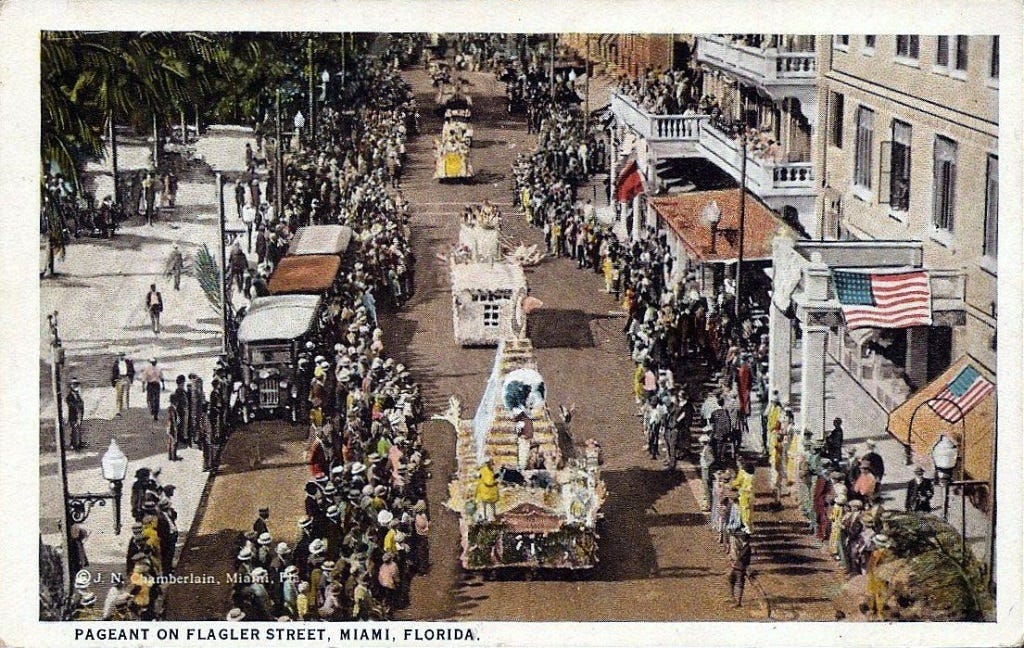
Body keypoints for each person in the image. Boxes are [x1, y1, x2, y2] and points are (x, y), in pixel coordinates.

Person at [727, 529, 752, 607]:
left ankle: (738, 602)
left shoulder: (747, 546)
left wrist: (734, 562)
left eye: (742, 535)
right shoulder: (741, 544)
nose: (740, 536)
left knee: (739, 583)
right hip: (736, 566)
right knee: (731, 579)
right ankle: (732, 597)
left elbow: (741, 556)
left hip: (740, 567)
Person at [474, 458, 499, 522]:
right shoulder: (485, 470)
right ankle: (486, 517)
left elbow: (490, 477)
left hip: (489, 491)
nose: (492, 464)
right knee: (486, 504)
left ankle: (492, 516)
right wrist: (495, 482)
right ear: (487, 463)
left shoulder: (487, 469)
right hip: (486, 490)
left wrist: (495, 476)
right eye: (491, 462)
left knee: (490, 504)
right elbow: (488, 482)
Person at [66, 378, 85, 450]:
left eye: (76, 384)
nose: (75, 386)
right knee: (74, 430)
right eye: (73, 384)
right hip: (73, 416)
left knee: (79, 429)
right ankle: (73, 444)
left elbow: (81, 404)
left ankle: (79, 443)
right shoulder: (69, 396)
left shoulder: (78, 394)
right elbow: (71, 405)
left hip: (79, 415)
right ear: (71, 386)